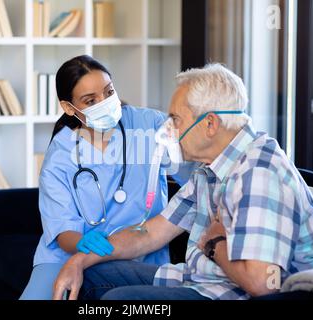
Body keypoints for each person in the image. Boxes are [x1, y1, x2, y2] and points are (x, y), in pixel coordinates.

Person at [52, 63, 313, 301]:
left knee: (120, 300)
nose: (167, 129)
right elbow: (150, 233)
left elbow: (262, 283)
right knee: (93, 274)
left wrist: (214, 243)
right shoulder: (209, 169)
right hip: (201, 279)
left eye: (175, 120)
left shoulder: (258, 173)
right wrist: (80, 259)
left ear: (210, 125)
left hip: (229, 293)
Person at [20, 55, 190, 300]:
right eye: (91, 100)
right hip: (70, 254)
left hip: (142, 252)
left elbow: (194, 169)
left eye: (109, 92)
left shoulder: (148, 125)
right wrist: (83, 243)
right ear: (69, 107)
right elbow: (62, 230)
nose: (105, 102)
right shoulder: (60, 156)